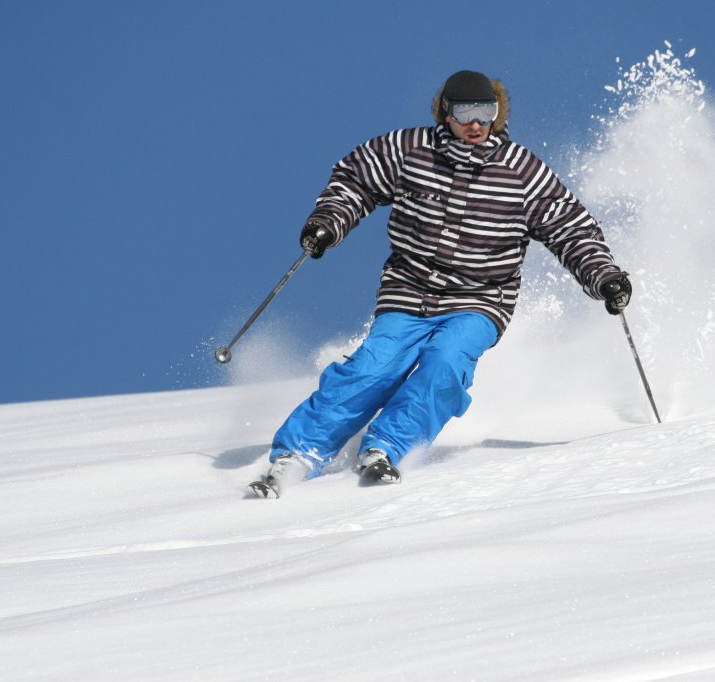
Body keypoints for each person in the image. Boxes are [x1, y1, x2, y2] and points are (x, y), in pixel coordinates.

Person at [251, 69, 631, 497]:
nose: (475, 123)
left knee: (446, 362)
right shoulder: (409, 151)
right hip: (409, 290)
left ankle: (388, 446)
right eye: (465, 111)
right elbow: (356, 180)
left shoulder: (522, 172)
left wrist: (604, 276)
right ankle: (300, 452)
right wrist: (327, 224)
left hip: (481, 298)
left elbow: (570, 227)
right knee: (375, 367)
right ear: (445, 112)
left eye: (486, 112)